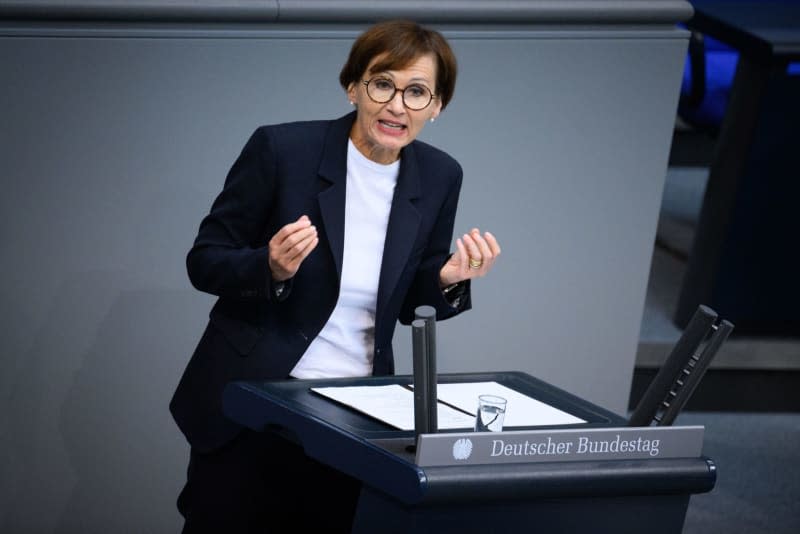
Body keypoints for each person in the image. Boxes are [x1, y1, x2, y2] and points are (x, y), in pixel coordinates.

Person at [170, 19, 501, 533]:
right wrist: (270, 267)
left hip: (355, 415)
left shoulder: (439, 176)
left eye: (417, 92)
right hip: (256, 401)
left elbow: (414, 299)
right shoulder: (283, 151)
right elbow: (205, 258)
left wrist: (449, 279)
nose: (397, 105)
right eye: (382, 83)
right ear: (354, 87)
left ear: (437, 107)